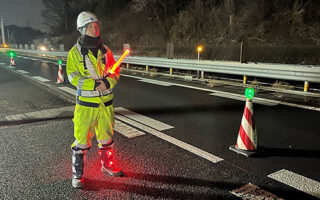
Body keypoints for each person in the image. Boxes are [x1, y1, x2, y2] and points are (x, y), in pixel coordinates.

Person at [66, 11, 123, 189]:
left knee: (107, 139)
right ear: (82, 29)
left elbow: (115, 71)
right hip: (86, 107)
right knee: (81, 141)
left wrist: (107, 81)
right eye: (91, 25)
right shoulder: (75, 53)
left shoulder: (105, 50)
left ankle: (108, 165)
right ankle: (78, 174)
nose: (95, 27)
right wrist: (93, 85)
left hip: (106, 105)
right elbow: (72, 76)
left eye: (96, 24)